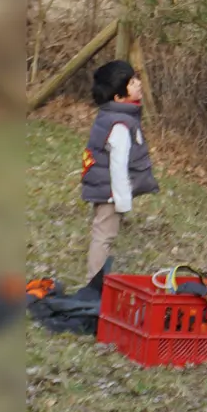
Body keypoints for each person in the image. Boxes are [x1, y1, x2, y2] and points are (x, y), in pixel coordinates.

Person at [80, 60, 159, 281]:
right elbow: (118, 164)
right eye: (132, 83)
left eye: (136, 79)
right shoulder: (121, 124)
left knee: (106, 235)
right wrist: (123, 200)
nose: (138, 84)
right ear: (118, 98)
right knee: (104, 236)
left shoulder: (113, 116)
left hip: (108, 189)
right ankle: (94, 287)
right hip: (111, 192)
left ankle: (101, 282)